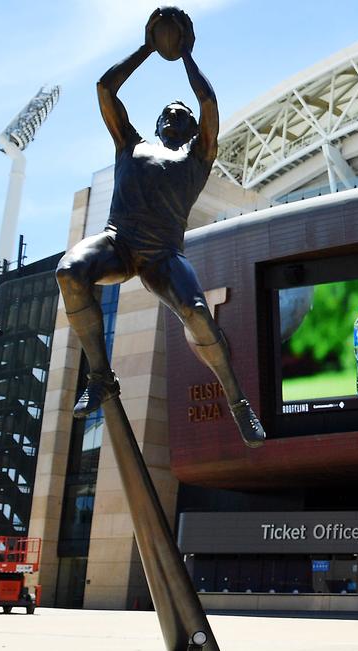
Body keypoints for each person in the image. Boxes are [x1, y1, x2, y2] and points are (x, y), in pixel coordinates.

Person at [54, 7, 264, 448]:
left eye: (181, 114)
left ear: (191, 129)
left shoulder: (197, 158)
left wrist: (185, 55)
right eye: (167, 112)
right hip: (119, 243)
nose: (174, 114)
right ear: (155, 125)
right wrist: (149, 48)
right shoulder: (131, 144)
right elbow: (104, 88)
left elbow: (208, 103)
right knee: (70, 271)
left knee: (199, 317)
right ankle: (101, 377)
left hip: (163, 256)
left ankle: (239, 402)